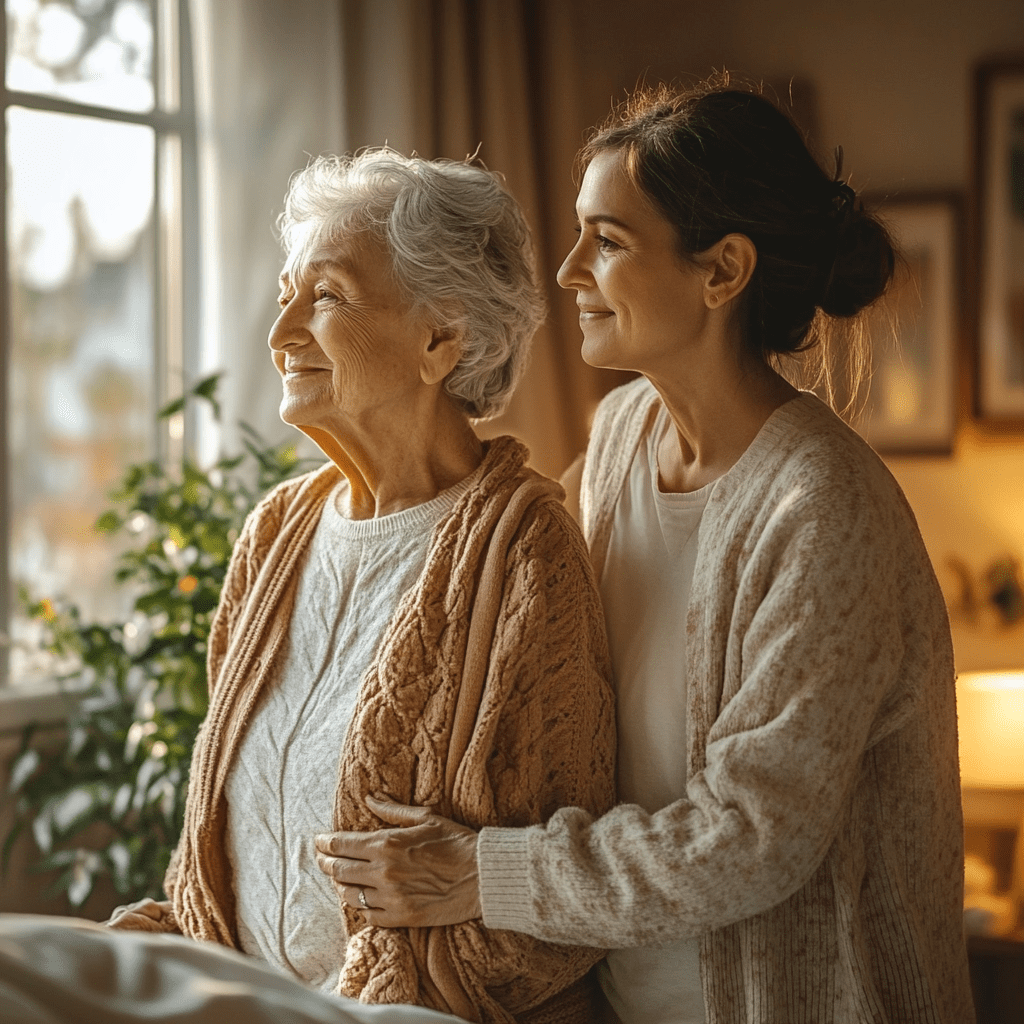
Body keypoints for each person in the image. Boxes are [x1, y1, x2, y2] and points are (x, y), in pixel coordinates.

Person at [315, 80, 977, 1023]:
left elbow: (754, 835)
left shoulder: (823, 508)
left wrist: (477, 874)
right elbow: (526, 642)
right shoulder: (621, 434)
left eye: (609, 241)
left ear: (723, 271)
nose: (569, 271)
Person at [106, 149, 616, 1024]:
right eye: (284, 298)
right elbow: (243, 844)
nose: (282, 334)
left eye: (329, 296)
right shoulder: (275, 533)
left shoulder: (524, 555)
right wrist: (174, 934)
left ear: (440, 339)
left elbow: (552, 927)